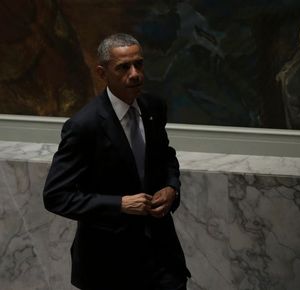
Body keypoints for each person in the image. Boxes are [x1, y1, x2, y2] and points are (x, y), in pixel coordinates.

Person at [43, 33, 190, 290]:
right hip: (108, 264)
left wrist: (171, 187)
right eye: (123, 67)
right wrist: (119, 204)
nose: (135, 74)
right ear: (102, 73)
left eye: (139, 64)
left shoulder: (154, 107)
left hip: (162, 259)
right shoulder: (83, 126)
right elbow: (56, 195)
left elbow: (166, 156)